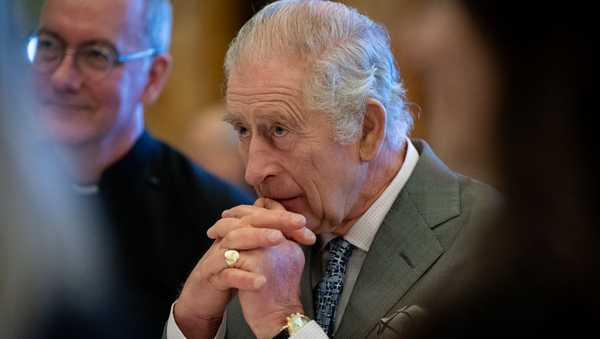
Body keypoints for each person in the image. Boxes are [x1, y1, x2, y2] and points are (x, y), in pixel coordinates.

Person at [165, 1, 502, 338]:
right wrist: (193, 323)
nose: (253, 171)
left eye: (279, 131)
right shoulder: (254, 242)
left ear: (367, 128)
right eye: (242, 130)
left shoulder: (490, 243)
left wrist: (284, 321)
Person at [26, 0, 253, 337]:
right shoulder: (12, 188)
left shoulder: (214, 220)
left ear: (153, 76)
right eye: (48, 46)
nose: (63, 77)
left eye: (96, 55)